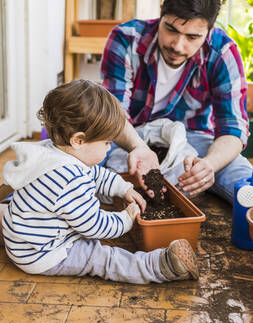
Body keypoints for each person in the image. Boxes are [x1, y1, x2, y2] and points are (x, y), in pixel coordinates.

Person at [1, 79, 198, 283]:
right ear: (78, 140)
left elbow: (96, 174)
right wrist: (126, 219)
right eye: (106, 143)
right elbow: (94, 226)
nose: (108, 148)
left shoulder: (54, 152)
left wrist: (124, 188)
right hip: (42, 253)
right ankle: (161, 266)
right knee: (101, 258)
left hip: (24, 236)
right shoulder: (70, 179)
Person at [100, 0, 252, 204]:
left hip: (193, 139)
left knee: (243, 181)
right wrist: (139, 147)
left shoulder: (222, 52)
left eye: (192, 37)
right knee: (81, 165)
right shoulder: (126, 39)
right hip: (129, 135)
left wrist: (208, 165)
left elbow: (233, 129)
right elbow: (113, 114)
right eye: (171, 29)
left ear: (210, 29)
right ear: (161, 11)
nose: (178, 46)